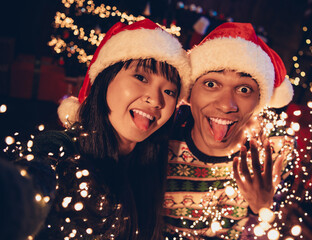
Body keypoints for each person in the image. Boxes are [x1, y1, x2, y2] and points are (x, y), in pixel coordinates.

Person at [0, 19, 189, 240]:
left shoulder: (154, 166)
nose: (156, 100)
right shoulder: (63, 151)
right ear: (105, 79)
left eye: (169, 91)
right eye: (141, 77)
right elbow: (32, 180)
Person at [163, 22, 294, 239]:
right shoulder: (159, 141)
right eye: (211, 84)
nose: (226, 105)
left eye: (244, 89)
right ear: (190, 93)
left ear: (259, 101)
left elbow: (279, 228)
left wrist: (261, 209)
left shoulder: (273, 152)